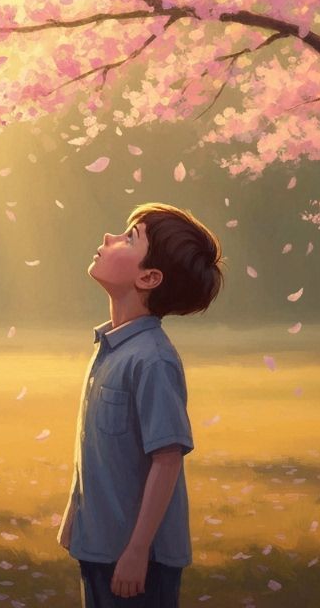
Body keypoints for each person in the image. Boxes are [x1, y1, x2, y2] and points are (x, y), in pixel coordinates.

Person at [57, 202, 224, 607]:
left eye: (128, 238)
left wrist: (136, 553)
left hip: (138, 559)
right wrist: (73, 515)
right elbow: (97, 449)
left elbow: (167, 459)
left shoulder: (153, 360)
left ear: (149, 277)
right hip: (98, 544)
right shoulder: (111, 350)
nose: (108, 239)